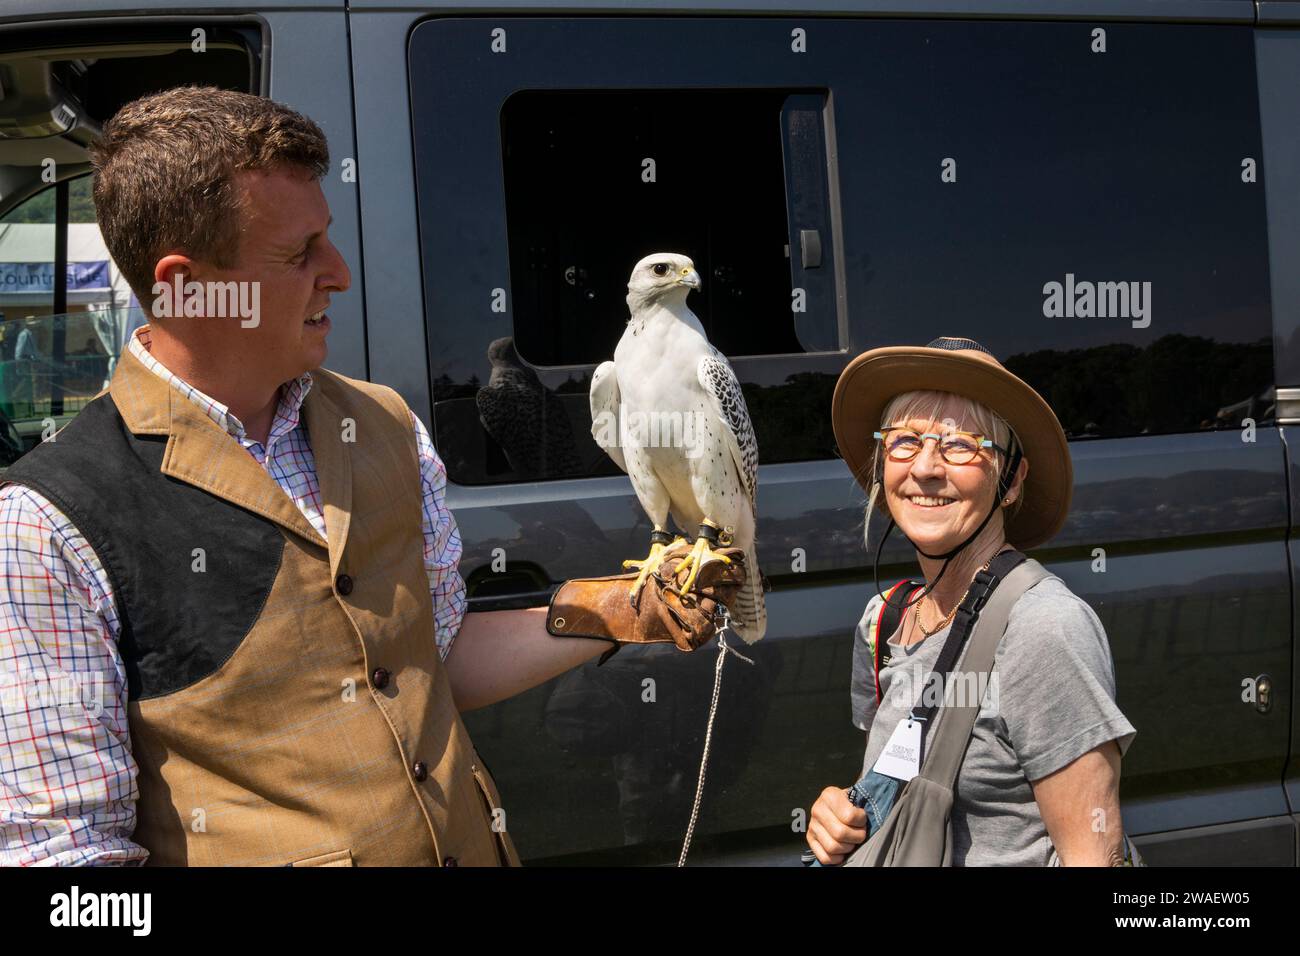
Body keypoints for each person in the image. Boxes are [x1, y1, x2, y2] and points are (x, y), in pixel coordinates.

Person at [0, 86, 737, 866]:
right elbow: (65, 866)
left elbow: (434, 659)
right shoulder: (48, 524)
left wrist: (621, 613)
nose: (340, 273)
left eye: (329, 239)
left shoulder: (383, 424)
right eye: (300, 254)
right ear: (185, 285)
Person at [806, 336, 1137, 866]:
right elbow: (906, 780)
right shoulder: (885, 620)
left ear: (1011, 481)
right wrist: (844, 815)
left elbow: (1096, 857)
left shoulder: (1043, 629)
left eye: (961, 445)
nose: (926, 468)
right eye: (906, 441)